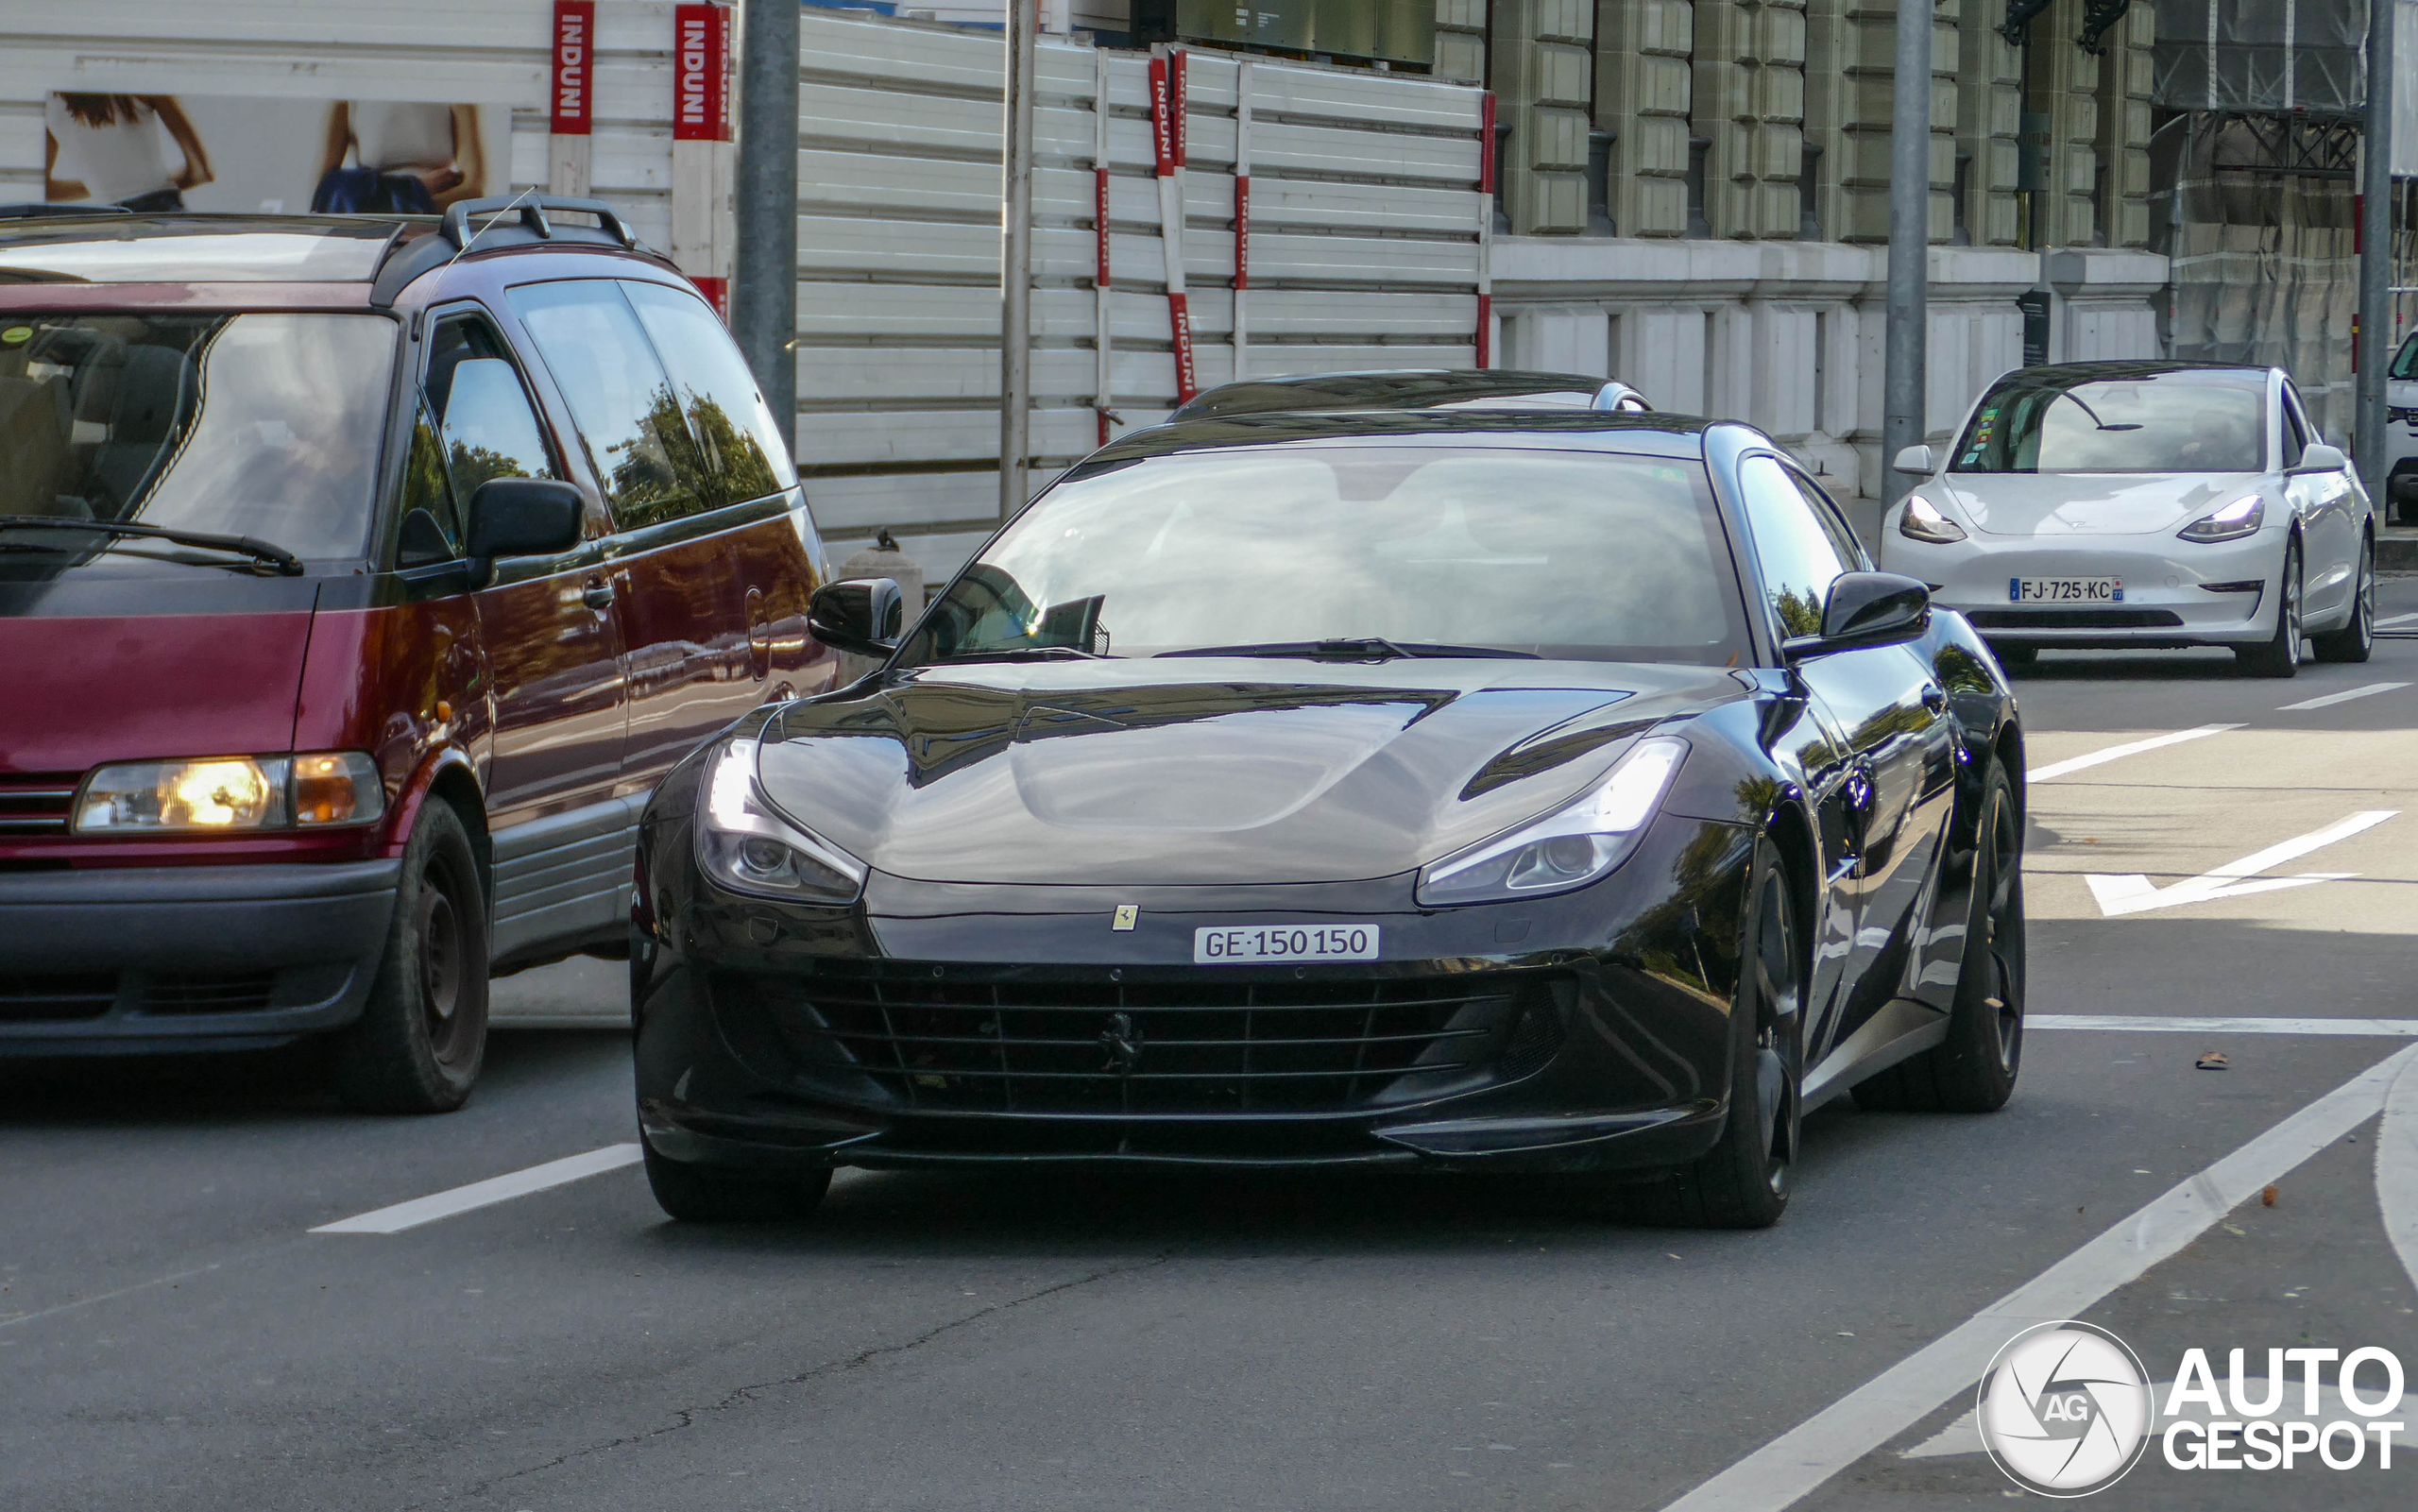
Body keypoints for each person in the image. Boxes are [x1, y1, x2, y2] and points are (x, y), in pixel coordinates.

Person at [43, 93, 213, 211]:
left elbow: (46, 190)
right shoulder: (142, 84)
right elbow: (201, 172)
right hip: (162, 211)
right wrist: (142, 183)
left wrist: (100, 186)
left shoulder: (48, 104)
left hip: (109, 222)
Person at [315, 102, 486, 213]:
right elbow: (326, 191)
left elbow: (474, 190)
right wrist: (416, 191)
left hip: (431, 232)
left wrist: (411, 201)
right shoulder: (349, 97)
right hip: (369, 236)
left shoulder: (456, 95)